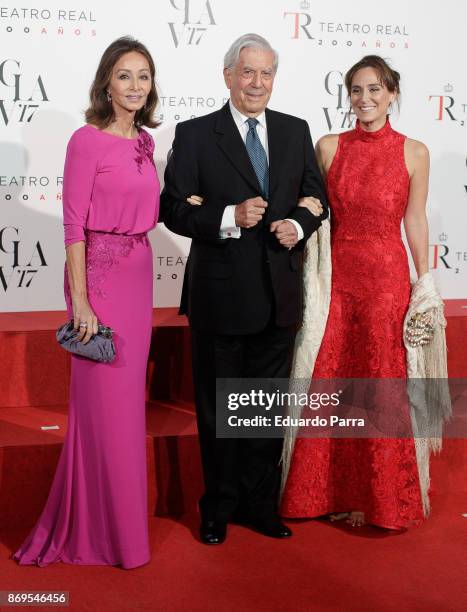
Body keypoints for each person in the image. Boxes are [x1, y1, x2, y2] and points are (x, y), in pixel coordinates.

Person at [160, 33, 328, 545]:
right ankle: (218, 509)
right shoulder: (193, 135)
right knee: (218, 413)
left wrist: (297, 224)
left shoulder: (296, 131)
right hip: (220, 299)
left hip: (279, 297)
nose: (257, 83)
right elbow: (172, 210)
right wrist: (227, 216)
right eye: (248, 72)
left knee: (263, 411)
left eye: (267, 73)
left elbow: (316, 195)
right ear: (228, 74)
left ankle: (259, 506)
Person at [13, 36, 160, 568]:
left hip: (139, 275)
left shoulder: (144, 142)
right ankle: (99, 534)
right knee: (105, 410)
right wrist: (81, 301)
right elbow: (74, 226)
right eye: (125, 75)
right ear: (106, 82)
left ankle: (121, 530)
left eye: (143, 76)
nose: (135, 86)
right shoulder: (86, 140)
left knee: (127, 411)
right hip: (97, 278)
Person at [281, 55, 430, 529]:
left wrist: (424, 283)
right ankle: (321, 494)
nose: (364, 99)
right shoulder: (328, 147)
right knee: (331, 381)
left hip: (387, 282)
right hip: (336, 281)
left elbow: (414, 219)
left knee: (381, 384)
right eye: (356, 91)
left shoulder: (414, 152)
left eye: (374, 90)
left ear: (392, 93)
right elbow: (313, 208)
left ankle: (383, 500)